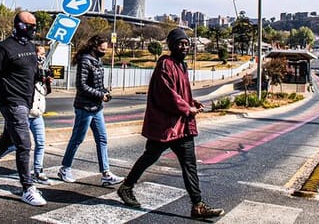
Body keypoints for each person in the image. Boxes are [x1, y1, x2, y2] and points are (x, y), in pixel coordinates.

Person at [116, 28, 224, 219]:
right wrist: (187, 108)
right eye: (180, 43)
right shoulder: (165, 64)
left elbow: (180, 93)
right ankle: (126, 187)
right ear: (172, 45)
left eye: (186, 44)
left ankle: (197, 204)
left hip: (181, 127)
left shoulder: (181, 65)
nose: (184, 47)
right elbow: (167, 94)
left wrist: (191, 103)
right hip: (166, 126)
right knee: (149, 157)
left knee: (189, 165)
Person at [0, 11, 47, 207]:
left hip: (26, 100)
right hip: (11, 102)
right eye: (31, 26)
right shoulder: (3, 49)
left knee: (8, 139)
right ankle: (27, 188)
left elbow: (31, 72)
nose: (34, 30)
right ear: (20, 26)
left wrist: (42, 76)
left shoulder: (30, 47)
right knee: (24, 144)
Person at [57, 34, 123, 187]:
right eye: (103, 49)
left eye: (106, 49)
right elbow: (81, 86)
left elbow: (97, 84)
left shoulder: (97, 61)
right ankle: (65, 168)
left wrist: (105, 92)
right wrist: (101, 95)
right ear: (95, 47)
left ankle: (106, 173)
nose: (105, 52)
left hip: (96, 108)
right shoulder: (85, 61)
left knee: (102, 139)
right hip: (84, 108)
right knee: (77, 139)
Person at [0, 45, 53, 184]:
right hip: (23, 113)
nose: (42, 57)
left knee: (41, 143)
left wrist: (47, 83)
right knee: (14, 144)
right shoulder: (27, 68)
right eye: (39, 54)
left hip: (37, 113)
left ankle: (38, 171)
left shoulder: (44, 71)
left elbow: (44, 92)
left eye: (44, 54)